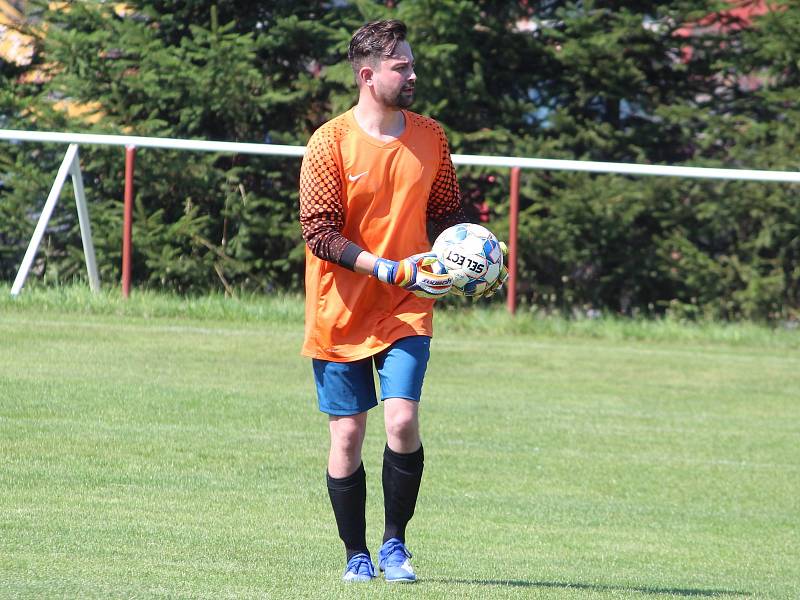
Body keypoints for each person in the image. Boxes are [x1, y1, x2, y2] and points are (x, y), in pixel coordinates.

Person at [298, 19, 503, 583]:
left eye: (411, 64)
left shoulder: (431, 136)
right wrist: (385, 266)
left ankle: (394, 545)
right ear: (367, 75)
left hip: (408, 306)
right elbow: (319, 232)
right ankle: (354, 554)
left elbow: (446, 212)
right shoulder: (329, 143)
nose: (412, 74)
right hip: (340, 309)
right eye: (401, 66)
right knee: (346, 433)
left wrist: (477, 251)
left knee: (403, 418)